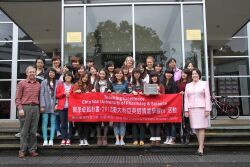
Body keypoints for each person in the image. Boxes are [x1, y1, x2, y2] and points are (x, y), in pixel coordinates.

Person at [184, 68, 211, 156]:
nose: (194, 75)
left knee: (201, 128)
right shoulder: (188, 85)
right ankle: (201, 145)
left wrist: (208, 109)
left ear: (199, 75)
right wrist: (186, 110)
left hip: (202, 108)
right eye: (193, 74)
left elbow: (207, 97)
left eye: (196, 74)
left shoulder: (204, 83)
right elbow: (186, 99)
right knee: (195, 128)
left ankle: (200, 148)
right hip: (192, 108)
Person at [15, 66, 41, 158]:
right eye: (30, 72)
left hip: (35, 108)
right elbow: (17, 98)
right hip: (25, 108)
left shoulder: (38, 84)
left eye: (33, 72)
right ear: (26, 73)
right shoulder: (22, 83)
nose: (32, 73)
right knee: (24, 131)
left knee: (33, 131)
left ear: (35, 73)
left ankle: (32, 149)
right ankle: (22, 150)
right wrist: (20, 108)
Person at [72, 72, 94, 146]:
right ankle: (81, 139)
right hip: (79, 107)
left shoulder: (90, 85)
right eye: (84, 77)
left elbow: (94, 96)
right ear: (81, 77)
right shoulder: (76, 84)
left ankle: (86, 139)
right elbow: (72, 95)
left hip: (87, 108)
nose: (85, 78)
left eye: (87, 77)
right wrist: (75, 92)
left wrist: (92, 92)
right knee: (80, 124)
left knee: (87, 123)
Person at [40, 68, 59, 146]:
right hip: (46, 105)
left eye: (53, 72)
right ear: (48, 73)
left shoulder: (58, 82)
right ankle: (45, 139)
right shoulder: (44, 82)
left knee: (53, 122)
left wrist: (57, 104)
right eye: (50, 72)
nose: (52, 74)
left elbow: (59, 94)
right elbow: (42, 94)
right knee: (44, 122)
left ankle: (51, 139)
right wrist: (42, 105)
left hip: (54, 105)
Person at [93, 68, 112, 146]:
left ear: (106, 75)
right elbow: (92, 91)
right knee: (98, 121)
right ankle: (99, 137)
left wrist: (110, 91)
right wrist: (93, 91)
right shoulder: (95, 82)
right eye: (100, 74)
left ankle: (105, 137)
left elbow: (112, 91)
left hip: (106, 104)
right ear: (98, 74)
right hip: (97, 104)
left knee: (106, 121)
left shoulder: (109, 82)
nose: (102, 75)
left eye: (103, 74)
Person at [111, 68, 129, 146]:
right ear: (115, 74)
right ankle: (117, 139)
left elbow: (129, 93)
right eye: (117, 73)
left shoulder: (126, 83)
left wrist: (126, 94)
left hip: (123, 106)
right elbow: (108, 92)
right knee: (115, 123)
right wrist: (111, 92)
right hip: (114, 105)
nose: (119, 74)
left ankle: (122, 139)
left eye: (121, 73)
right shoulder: (112, 83)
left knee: (122, 123)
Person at [56, 71, 74, 146]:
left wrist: (71, 95)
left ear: (71, 78)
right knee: (63, 123)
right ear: (64, 77)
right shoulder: (60, 85)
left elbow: (76, 96)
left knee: (70, 124)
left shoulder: (73, 85)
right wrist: (63, 94)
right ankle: (64, 138)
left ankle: (69, 138)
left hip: (71, 107)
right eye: (66, 76)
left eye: (69, 76)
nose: (68, 78)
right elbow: (57, 95)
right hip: (62, 107)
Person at [148, 71, 165, 146]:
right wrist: (147, 94)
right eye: (152, 76)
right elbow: (145, 96)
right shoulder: (148, 85)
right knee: (151, 122)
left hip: (159, 106)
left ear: (157, 77)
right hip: (150, 106)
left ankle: (158, 139)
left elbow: (164, 96)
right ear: (150, 78)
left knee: (158, 122)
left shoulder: (161, 85)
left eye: (155, 76)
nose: (154, 78)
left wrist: (159, 94)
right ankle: (152, 138)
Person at [162, 69, 178, 145]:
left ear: (172, 75)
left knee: (172, 123)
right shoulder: (163, 82)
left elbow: (174, 94)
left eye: (170, 73)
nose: (168, 74)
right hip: (164, 105)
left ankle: (173, 138)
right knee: (166, 123)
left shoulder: (174, 83)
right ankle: (168, 137)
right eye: (167, 73)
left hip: (172, 104)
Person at [131, 68, 145, 146]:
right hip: (132, 106)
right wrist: (132, 92)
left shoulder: (143, 83)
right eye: (135, 73)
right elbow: (128, 91)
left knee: (142, 123)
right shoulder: (130, 83)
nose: (136, 74)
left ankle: (142, 139)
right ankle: (135, 139)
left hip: (142, 106)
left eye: (138, 73)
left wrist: (143, 93)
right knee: (134, 123)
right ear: (133, 74)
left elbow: (146, 91)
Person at [176, 69, 191, 144]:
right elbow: (175, 92)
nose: (183, 74)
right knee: (180, 120)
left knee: (187, 120)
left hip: (187, 103)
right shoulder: (177, 82)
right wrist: (179, 93)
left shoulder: (190, 83)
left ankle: (187, 136)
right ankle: (181, 136)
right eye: (182, 73)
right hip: (179, 103)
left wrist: (185, 93)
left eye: (185, 73)